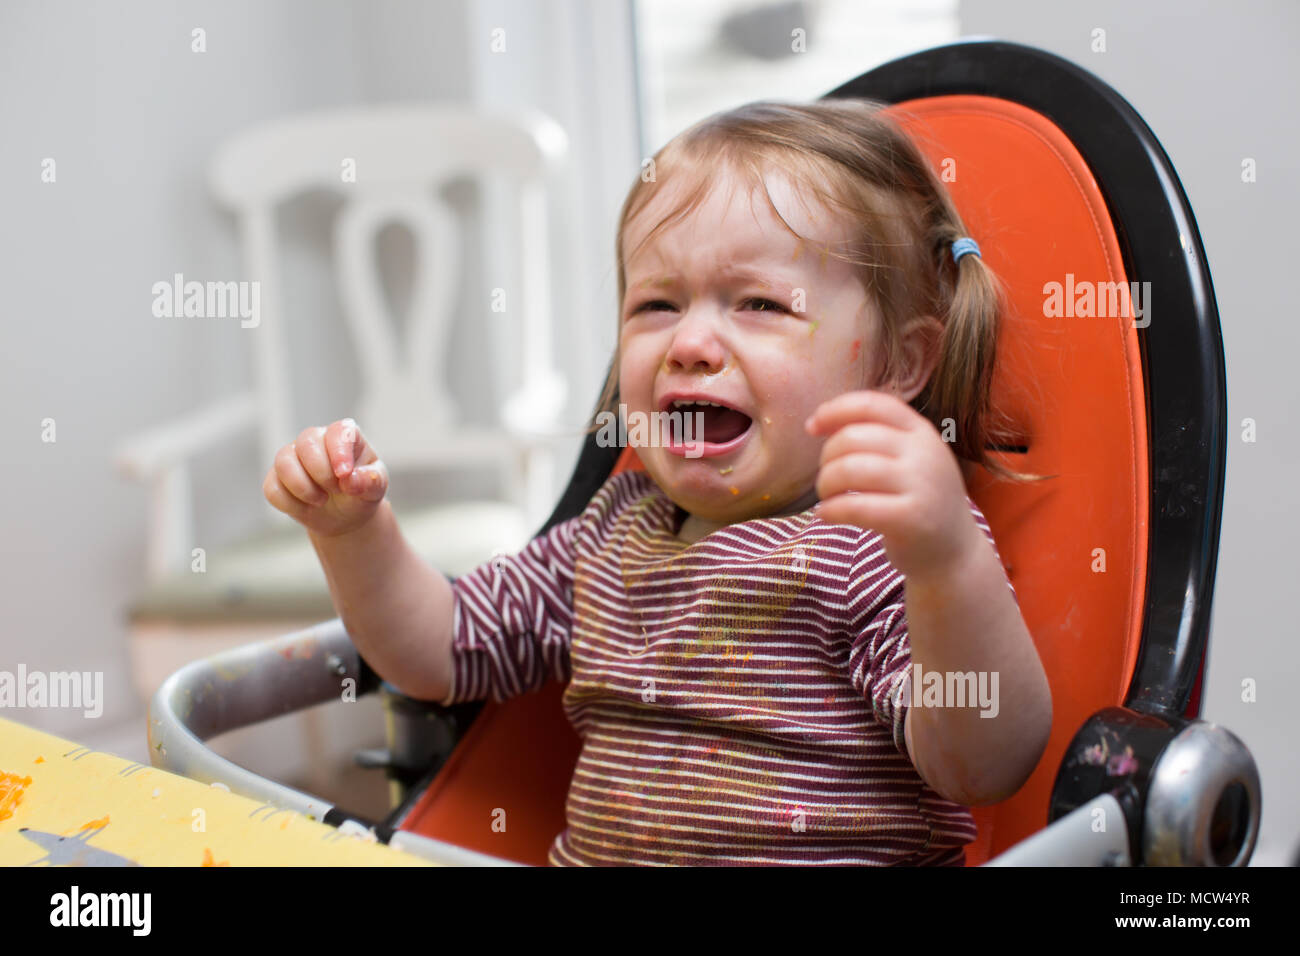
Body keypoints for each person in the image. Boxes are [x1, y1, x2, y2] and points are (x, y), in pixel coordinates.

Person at [263, 99, 1052, 866]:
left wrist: (947, 562)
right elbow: (439, 649)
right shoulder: (611, 532)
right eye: (656, 304)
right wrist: (353, 533)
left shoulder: (882, 547)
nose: (691, 341)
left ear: (898, 364)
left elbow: (982, 764)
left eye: (759, 304)